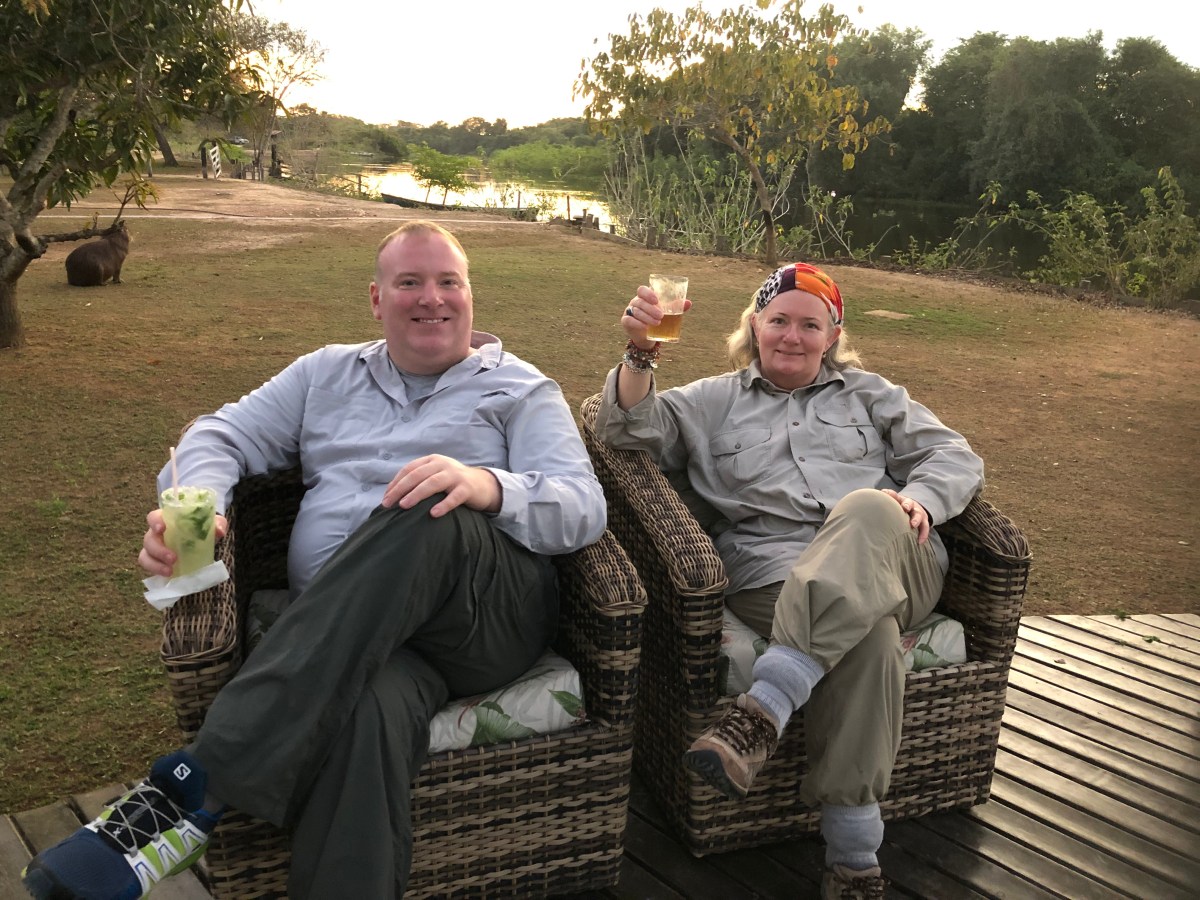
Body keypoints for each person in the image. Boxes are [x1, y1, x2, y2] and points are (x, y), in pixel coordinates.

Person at [23, 221, 607, 900]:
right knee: (364, 712)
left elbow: (582, 506)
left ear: (470, 295)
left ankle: (199, 783)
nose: (432, 297)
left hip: (481, 623)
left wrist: (485, 484)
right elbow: (218, 433)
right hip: (356, 638)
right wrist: (201, 506)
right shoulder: (325, 374)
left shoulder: (520, 388)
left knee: (430, 496)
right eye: (410, 282)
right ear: (376, 299)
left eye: (449, 281)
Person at [594, 263, 984, 899]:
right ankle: (854, 861)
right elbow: (622, 428)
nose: (792, 336)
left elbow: (954, 455)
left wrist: (922, 499)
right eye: (779, 320)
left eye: (810, 324)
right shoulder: (712, 400)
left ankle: (764, 710)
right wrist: (641, 352)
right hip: (772, 574)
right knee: (871, 639)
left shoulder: (873, 395)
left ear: (833, 336)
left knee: (866, 506)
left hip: (897, 563)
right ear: (755, 325)